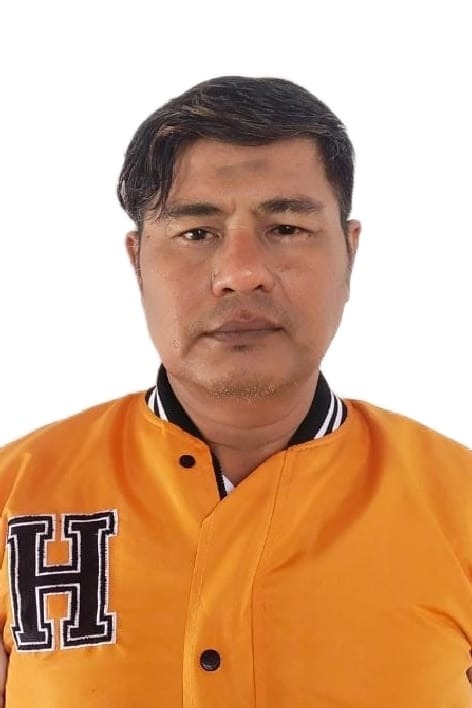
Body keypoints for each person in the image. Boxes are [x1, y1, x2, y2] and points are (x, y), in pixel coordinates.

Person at [0, 75, 471, 708]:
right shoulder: (16, 495)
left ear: (350, 253)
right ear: (137, 261)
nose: (242, 273)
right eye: (197, 233)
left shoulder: (459, 506)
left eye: (287, 228)